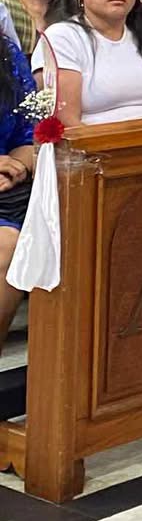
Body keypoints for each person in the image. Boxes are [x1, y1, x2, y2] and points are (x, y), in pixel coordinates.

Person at [0, 24, 37, 344]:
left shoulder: (8, 55)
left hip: (8, 189)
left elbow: (29, 134)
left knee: (10, 244)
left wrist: (18, 166)